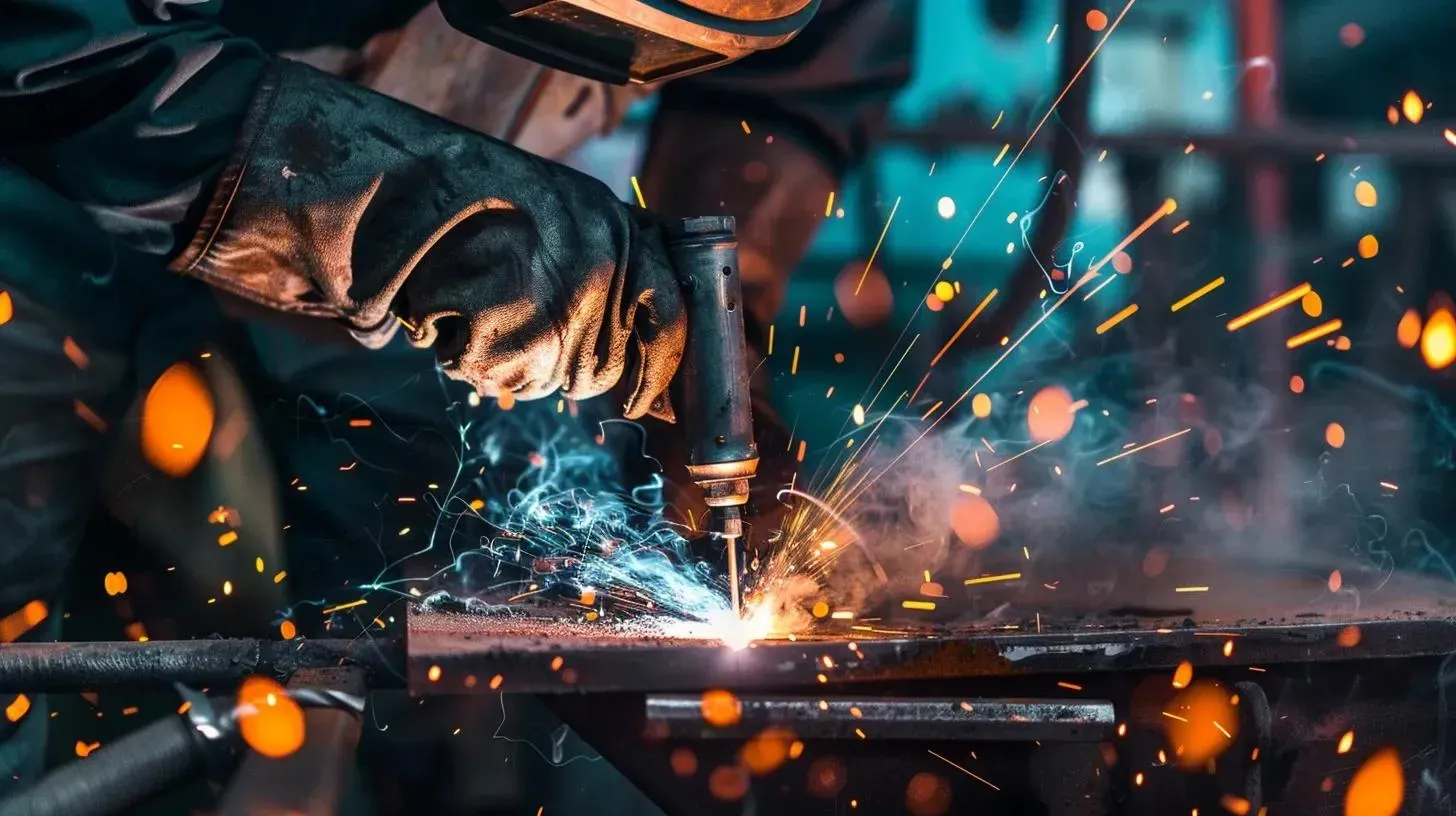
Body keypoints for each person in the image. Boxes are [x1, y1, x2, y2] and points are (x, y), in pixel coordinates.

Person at [0, 0, 913, 795]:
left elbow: (784, 86)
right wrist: (471, 249)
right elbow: (62, 55)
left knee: (400, 611)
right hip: (41, 192)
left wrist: (721, 327)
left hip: (411, 180)